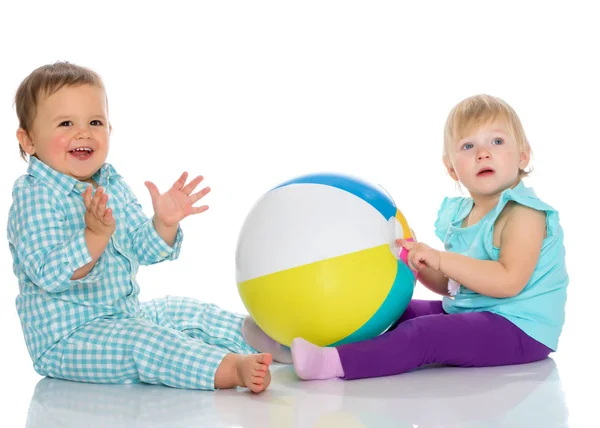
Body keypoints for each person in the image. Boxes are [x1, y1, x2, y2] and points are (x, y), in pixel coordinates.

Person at [7, 61, 282, 392]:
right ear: (28, 141)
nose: (84, 132)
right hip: (67, 339)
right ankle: (229, 369)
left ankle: (275, 342)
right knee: (144, 343)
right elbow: (49, 273)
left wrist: (162, 223)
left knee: (179, 310)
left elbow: (142, 249)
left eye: (95, 121)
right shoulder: (35, 196)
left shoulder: (108, 181)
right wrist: (93, 237)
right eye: (66, 123)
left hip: (123, 315)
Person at [286, 94, 569, 380]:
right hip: (475, 313)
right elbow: (452, 286)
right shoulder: (462, 214)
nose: (483, 153)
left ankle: (334, 363)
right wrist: (416, 262)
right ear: (451, 168)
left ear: (523, 155)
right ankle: (310, 341)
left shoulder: (524, 214)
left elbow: (509, 281)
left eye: (497, 141)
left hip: (521, 329)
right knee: (395, 310)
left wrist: (440, 258)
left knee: (424, 334)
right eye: (468, 146)